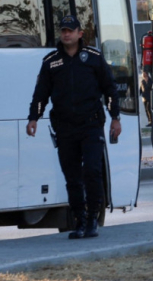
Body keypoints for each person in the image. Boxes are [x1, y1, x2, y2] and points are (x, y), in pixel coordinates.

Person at [26, 15, 122, 239]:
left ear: (80, 34)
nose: (66, 34)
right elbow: (41, 94)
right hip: (65, 128)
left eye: (70, 30)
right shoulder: (52, 61)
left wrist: (115, 117)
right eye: (63, 31)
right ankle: (79, 220)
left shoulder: (94, 58)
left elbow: (110, 90)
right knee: (72, 177)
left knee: (92, 170)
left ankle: (92, 221)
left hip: (91, 126)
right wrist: (33, 118)